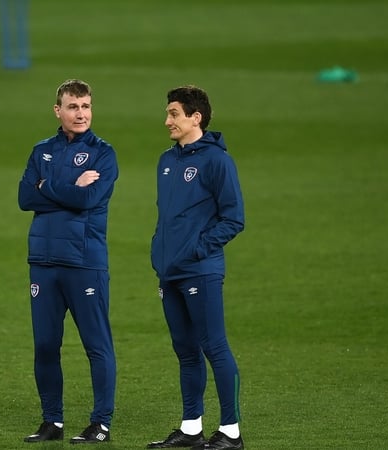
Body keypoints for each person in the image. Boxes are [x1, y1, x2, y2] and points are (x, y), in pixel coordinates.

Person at [17, 79, 118, 444]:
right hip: (43, 261)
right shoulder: (41, 149)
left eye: (86, 106)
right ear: (58, 110)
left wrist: (49, 187)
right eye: (73, 107)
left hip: (83, 261)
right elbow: (25, 197)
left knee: (96, 344)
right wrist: (68, 187)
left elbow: (88, 200)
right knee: (45, 345)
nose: (81, 114)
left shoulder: (104, 154)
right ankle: (52, 422)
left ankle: (101, 423)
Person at [146, 85, 245, 450]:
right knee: (185, 351)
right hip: (169, 272)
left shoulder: (217, 161)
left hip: (201, 270)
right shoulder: (167, 161)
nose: (167, 120)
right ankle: (191, 429)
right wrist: (161, 254)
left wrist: (195, 250)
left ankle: (231, 432)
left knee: (214, 347)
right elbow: (167, 218)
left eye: (173, 113)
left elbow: (233, 218)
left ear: (195, 117)